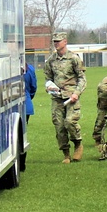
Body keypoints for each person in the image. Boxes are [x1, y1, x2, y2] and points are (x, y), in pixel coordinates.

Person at [43, 32, 87, 164]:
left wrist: (76, 93)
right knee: (59, 126)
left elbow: (82, 78)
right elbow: (48, 78)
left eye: (58, 41)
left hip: (71, 97)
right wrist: (49, 87)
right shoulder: (51, 60)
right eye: (54, 41)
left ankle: (78, 143)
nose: (56, 43)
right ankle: (66, 154)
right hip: (57, 98)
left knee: (69, 122)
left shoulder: (74, 58)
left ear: (65, 42)